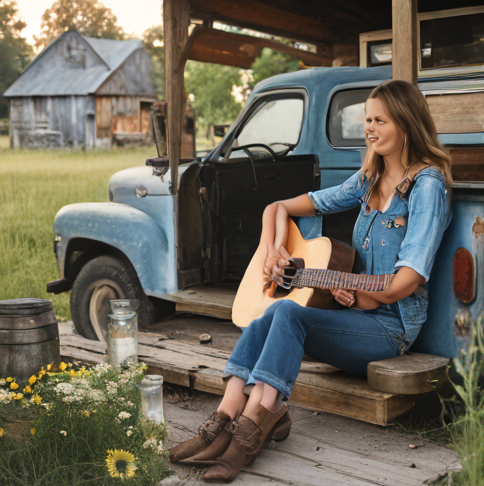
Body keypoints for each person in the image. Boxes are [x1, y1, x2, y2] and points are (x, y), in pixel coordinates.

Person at [169, 80, 453, 483]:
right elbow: (278, 206)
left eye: (379, 120)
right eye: (366, 120)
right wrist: (272, 252)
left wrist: (355, 287)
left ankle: (253, 429)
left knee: (287, 311)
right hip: (358, 318)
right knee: (269, 313)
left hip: (393, 330)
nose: (369, 128)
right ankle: (226, 414)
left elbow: (406, 281)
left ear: (406, 124)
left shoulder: (427, 187)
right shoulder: (368, 180)